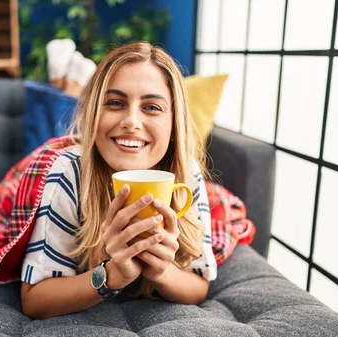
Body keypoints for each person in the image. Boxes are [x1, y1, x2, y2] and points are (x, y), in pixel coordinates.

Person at [20, 42, 217, 319]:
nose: (131, 121)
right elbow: (34, 300)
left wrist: (162, 272)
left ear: (174, 125)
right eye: (115, 103)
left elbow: (198, 286)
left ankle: (68, 81)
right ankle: (67, 83)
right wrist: (111, 275)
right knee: (41, 138)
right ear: (93, 115)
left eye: (151, 107)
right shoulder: (67, 172)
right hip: (45, 167)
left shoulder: (186, 174)